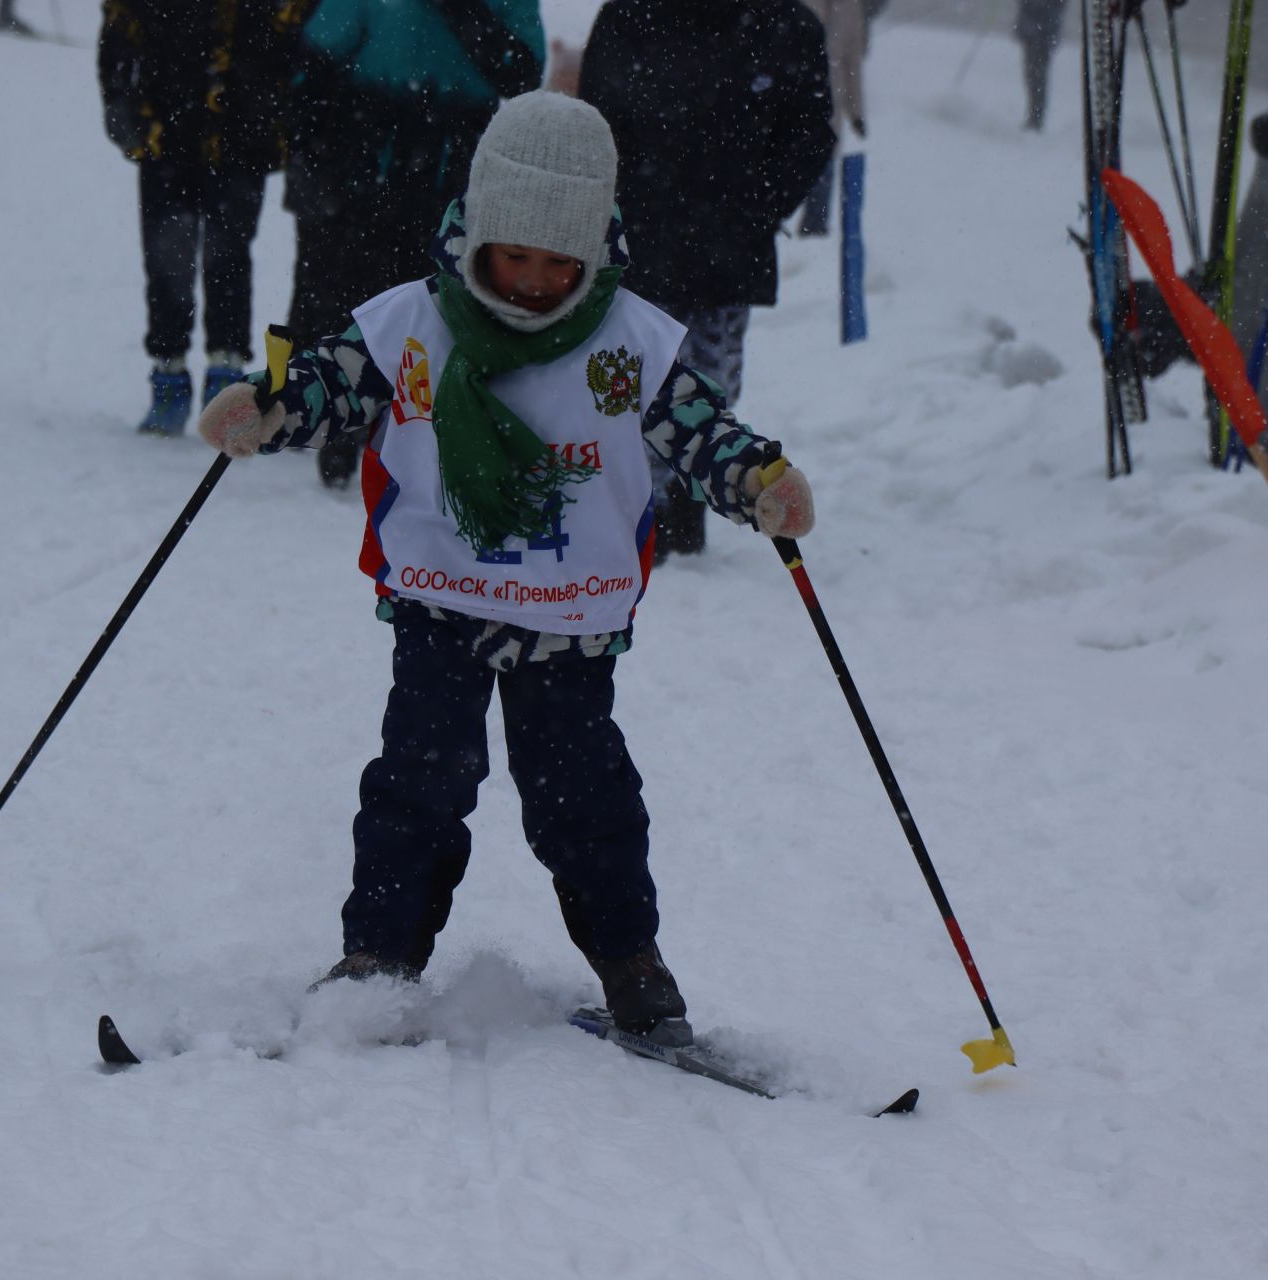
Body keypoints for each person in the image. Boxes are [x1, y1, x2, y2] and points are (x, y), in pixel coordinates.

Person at [194, 92, 818, 1041]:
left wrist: (756, 481)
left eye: (556, 261)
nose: (531, 281)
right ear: (477, 233)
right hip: (441, 596)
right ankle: (379, 959)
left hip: (571, 613)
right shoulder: (411, 322)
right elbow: (328, 379)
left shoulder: (631, 342)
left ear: (593, 248)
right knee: (418, 782)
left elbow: (701, 429)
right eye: (513, 255)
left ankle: (630, 964)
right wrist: (271, 408)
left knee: (585, 798)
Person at [579, 0, 833, 559]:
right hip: (639, 239)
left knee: (712, 378)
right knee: (625, 380)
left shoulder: (783, 23)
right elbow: (594, 119)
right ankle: (636, 508)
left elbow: (811, 133)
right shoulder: (632, 14)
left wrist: (757, 204)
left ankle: (690, 506)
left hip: (728, 246)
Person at [289, 0, 543, 487]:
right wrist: (312, 145)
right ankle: (343, 421)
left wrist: (465, 13)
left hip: (456, 154)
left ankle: (418, 427)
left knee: (437, 301)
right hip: (369, 147)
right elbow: (319, 54)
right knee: (356, 294)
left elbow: (521, 71)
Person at [98, 1, 289, 435]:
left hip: (243, 136)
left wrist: (278, 121)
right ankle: (169, 375)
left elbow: (293, 42)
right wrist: (125, 111)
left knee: (230, 256)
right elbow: (118, 39)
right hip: (164, 134)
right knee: (167, 259)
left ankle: (226, 380)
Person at [796, 0, 870, 237]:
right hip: (792, 98)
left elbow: (852, 63)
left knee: (823, 163)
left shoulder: (850, 8)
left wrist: (856, 112)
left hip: (829, 104)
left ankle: (814, 226)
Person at [1014, 0, 1068, 131]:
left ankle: (1036, 118)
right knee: (1032, 75)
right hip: (1034, 30)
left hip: (1043, 32)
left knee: (1038, 76)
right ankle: (1035, 116)